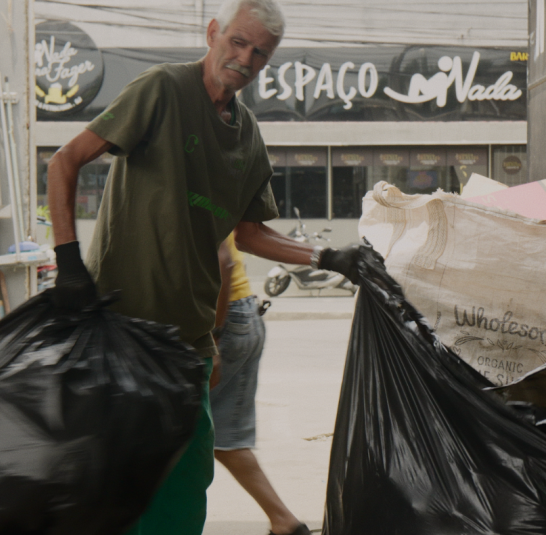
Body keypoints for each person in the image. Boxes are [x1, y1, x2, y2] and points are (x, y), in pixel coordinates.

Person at [45, 0, 363, 533]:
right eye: (238, 42)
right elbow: (64, 161)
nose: (246, 59)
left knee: (184, 492)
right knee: (117, 489)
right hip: (120, 331)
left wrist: (329, 258)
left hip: (187, 345)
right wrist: (68, 264)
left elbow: (248, 233)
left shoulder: (247, 136)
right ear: (213, 32)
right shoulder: (162, 90)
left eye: (260, 53)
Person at [211, 236, 308, 535]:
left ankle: (284, 521)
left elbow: (223, 260)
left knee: (213, 436)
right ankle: (283, 522)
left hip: (223, 317)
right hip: (239, 312)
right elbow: (247, 237)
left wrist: (213, 337)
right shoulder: (218, 203)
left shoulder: (192, 203)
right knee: (220, 436)